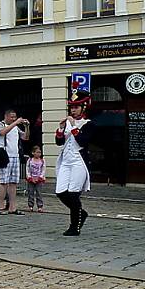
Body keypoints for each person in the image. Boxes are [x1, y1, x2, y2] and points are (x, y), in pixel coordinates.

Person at [54, 83, 95, 236]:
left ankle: (74, 226)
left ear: (84, 107)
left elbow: (83, 141)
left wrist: (72, 127)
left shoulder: (89, 124)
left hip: (79, 162)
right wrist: (60, 129)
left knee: (73, 193)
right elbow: (59, 143)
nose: (73, 110)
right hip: (66, 161)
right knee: (60, 192)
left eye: (76, 107)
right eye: (72, 107)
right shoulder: (68, 123)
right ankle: (80, 213)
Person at [0, 109, 29, 215]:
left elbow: (25, 137)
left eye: (15, 117)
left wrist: (27, 126)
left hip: (15, 156)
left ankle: (12, 208)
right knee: (3, 182)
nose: (13, 119)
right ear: (6, 116)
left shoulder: (15, 127)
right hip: (4, 156)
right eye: (11, 117)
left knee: (13, 183)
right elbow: (1, 133)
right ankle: (1, 207)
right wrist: (15, 123)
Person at [25, 145, 46, 213]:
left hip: (39, 179)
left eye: (39, 152)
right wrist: (29, 177)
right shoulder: (30, 160)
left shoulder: (42, 161)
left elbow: (43, 169)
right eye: (37, 152)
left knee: (39, 193)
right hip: (31, 178)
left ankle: (40, 206)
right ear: (33, 153)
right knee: (30, 193)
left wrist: (41, 177)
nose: (38, 154)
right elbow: (27, 168)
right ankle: (30, 206)